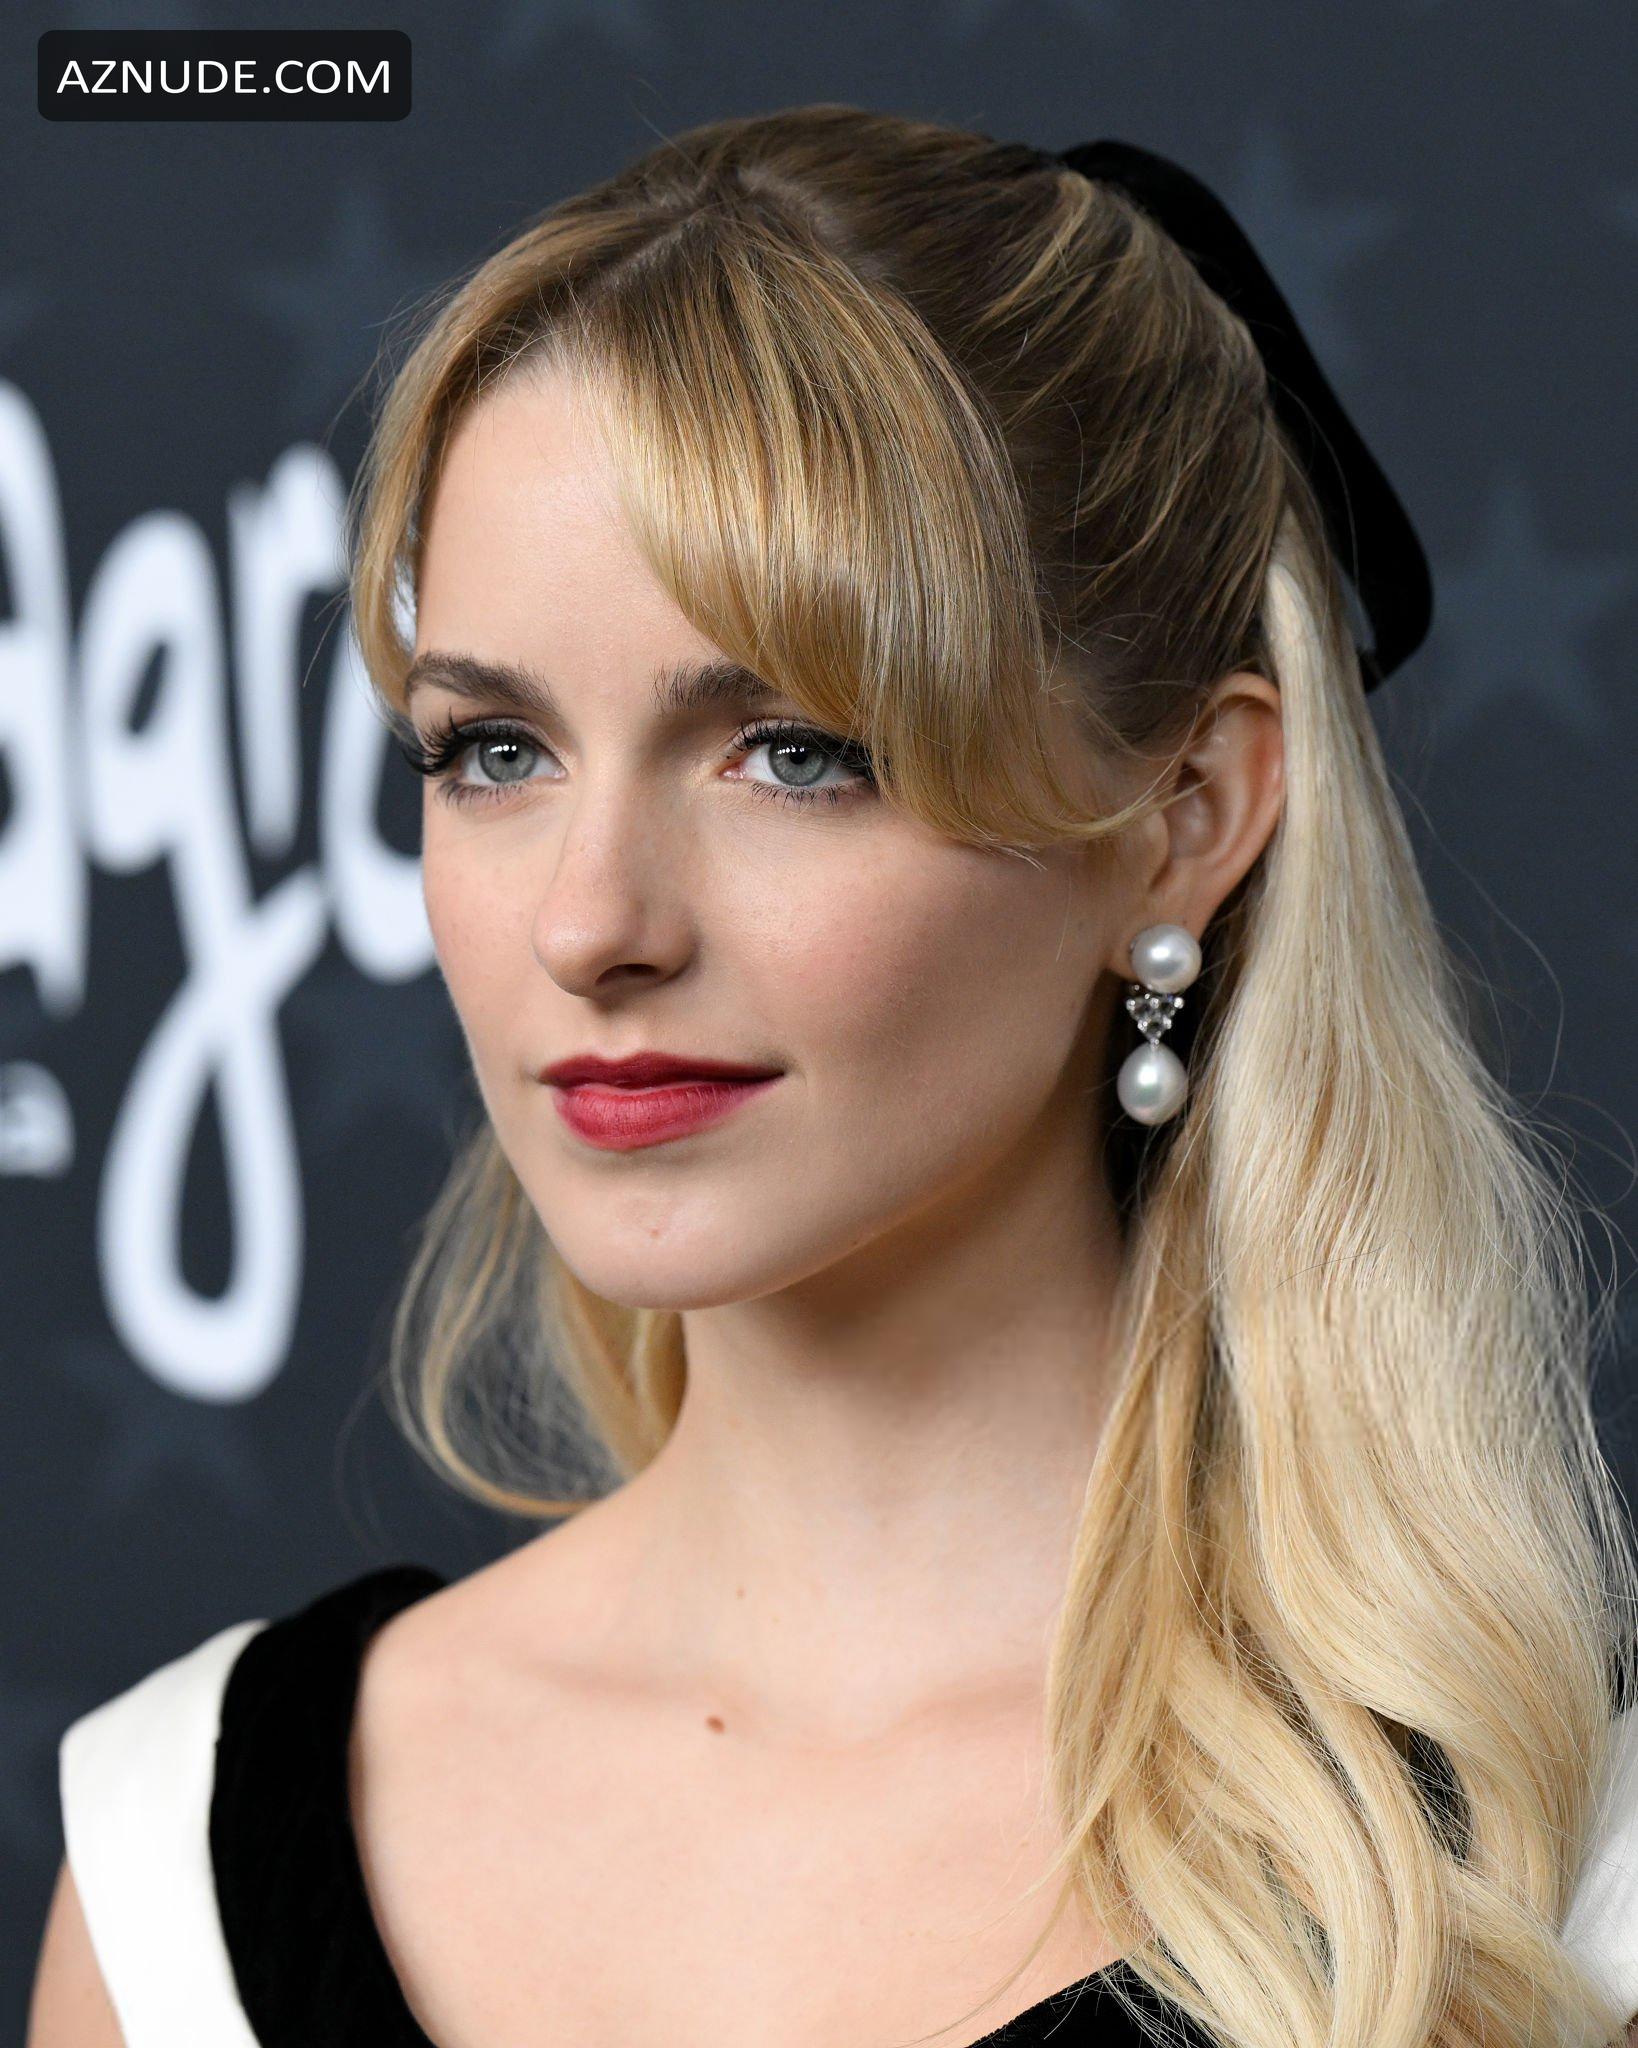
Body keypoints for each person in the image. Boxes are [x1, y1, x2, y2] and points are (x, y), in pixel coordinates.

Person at [29, 104, 1638, 2048]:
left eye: (793, 752)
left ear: (1184, 817)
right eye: (492, 753)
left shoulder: (1568, 1862)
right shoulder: (181, 1870)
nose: (591, 922)